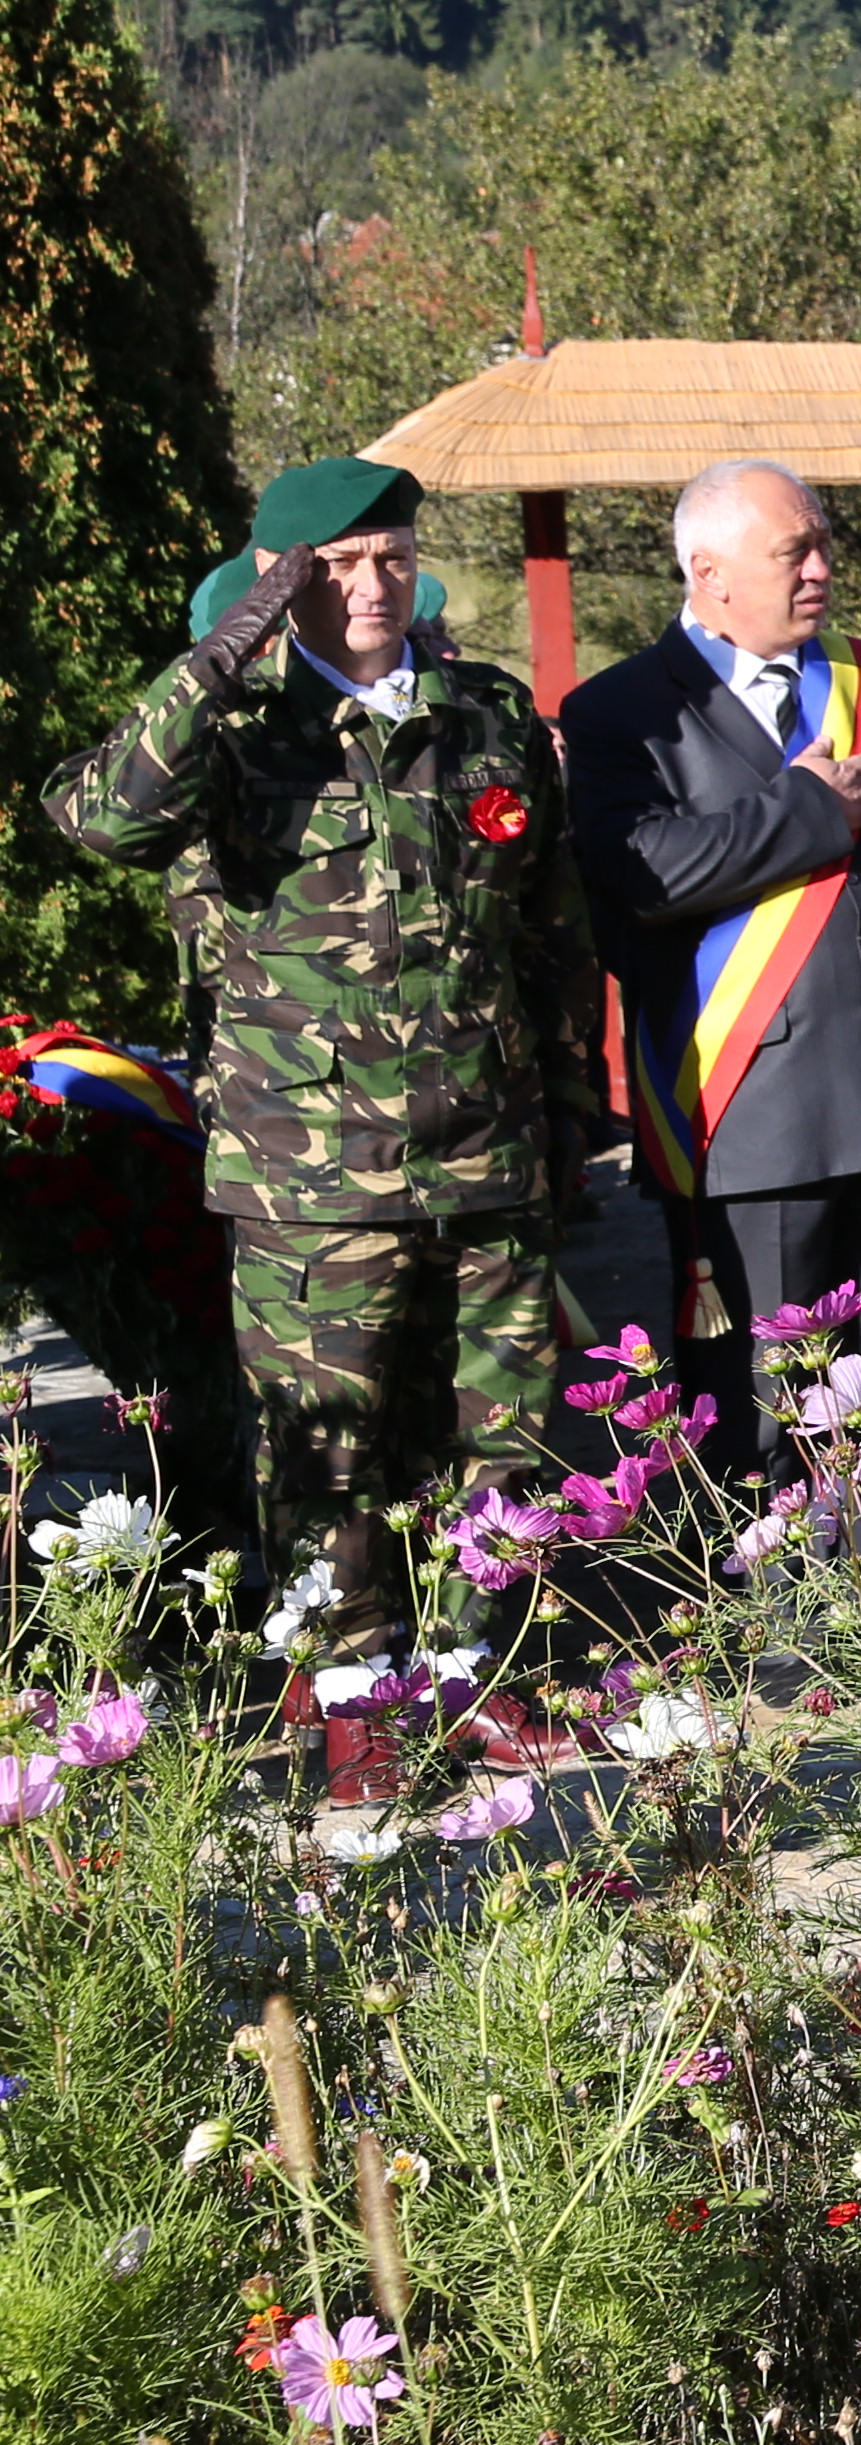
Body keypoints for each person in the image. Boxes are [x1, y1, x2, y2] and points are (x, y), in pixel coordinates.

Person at [46, 458, 589, 1665]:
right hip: (313, 1179)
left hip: (487, 1156)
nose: (372, 583)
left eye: (392, 556)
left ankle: (477, 1669)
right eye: (335, 564)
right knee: (324, 1452)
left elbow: (552, 934)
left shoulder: (490, 718)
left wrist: (569, 1118)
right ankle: (349, 1692)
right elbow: (103, 819)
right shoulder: (237, 739)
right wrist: (229, 646)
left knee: (501, 1437)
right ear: (279, 581)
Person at [558, 461, 861, 1475]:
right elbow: (644, 874)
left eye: (821, 545)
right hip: (750, 1109)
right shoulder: (620, 710)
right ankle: (784, 1611)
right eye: (792, 551)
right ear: (707, 572)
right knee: (764, 1398)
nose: (821, 569)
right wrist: (809, 812)